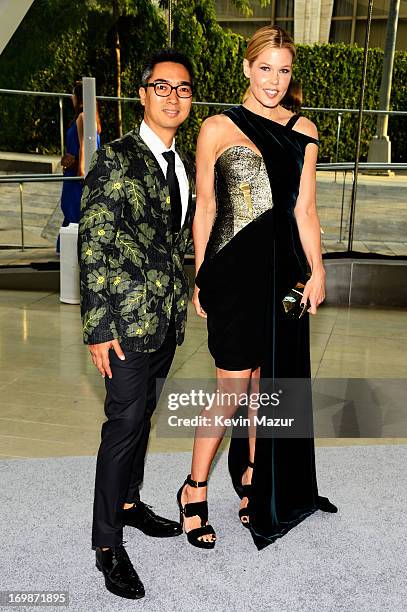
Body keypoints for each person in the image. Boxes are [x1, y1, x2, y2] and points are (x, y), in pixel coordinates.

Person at [176, 25, 337, 551]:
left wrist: (317, 268)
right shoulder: (217, 126)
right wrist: (201, 274)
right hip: (233, 273)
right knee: (232, 386)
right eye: (265, 68)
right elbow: (205, 208)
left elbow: (304, 209)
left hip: (284, 272)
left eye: (283, 70)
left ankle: (253, 479)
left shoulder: (304, 128)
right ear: (247, 68)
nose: (274, 80)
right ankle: (194, 489)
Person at [78, 49, 194, 599]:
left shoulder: (183, 163)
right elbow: (94, 243)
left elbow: (173, 245)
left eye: (183, 88)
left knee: (143, 417)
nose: (173, 96)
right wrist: (99, 327)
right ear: (143, 95)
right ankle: (106, 543)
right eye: (162, 87)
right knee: (122, 429)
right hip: (124, 324)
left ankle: (128, 504)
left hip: (165, 322)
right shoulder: (117, 159)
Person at [58, 81, 101, 252]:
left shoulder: (84, 117)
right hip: (74, 171)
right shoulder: (89, 117)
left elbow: (85, 146)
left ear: (80, 98)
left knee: (73, 211)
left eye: (73, 94)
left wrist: (82, 172)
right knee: (71, 211)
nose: (71, 97)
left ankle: (72, 250)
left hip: (77, 176)